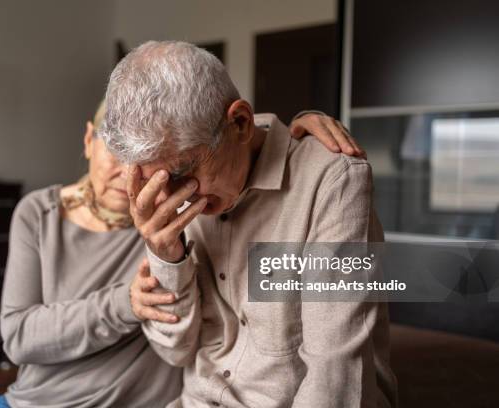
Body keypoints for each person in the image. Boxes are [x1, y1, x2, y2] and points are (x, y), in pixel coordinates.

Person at [0, 97, 361, 408]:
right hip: (31, 400)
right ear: (87, 140)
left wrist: (298, 138)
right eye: (112, 150)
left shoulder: (177, 214)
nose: (126, 172)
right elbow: (17, 338)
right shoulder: (39, 212)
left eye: (140, 160)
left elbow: (227, 141)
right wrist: (124, 303)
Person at [100, 41, 398, 407]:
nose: (169, 200)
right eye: (153, 181)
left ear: (240, 124)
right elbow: (175, 351)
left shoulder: (332, 181)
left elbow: (333, 377)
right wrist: (167, 257)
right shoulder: (178, 199)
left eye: (181, 173)